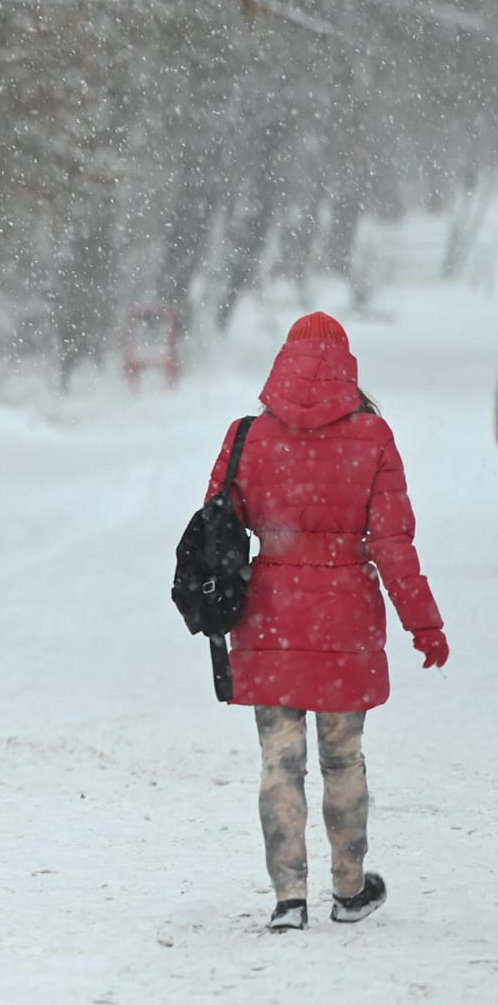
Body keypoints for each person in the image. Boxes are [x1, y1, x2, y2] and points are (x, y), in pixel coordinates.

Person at [204, 311, 448, 932]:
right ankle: (349, 888)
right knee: (344, 760)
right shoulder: (374, 437)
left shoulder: (247, 437)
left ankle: (289, 899)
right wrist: (424, 623)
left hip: (269, 621)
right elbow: (395, 545)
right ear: (347, 366)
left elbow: (218, 530)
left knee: (279, 763)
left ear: (284, 361)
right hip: (345, 622)